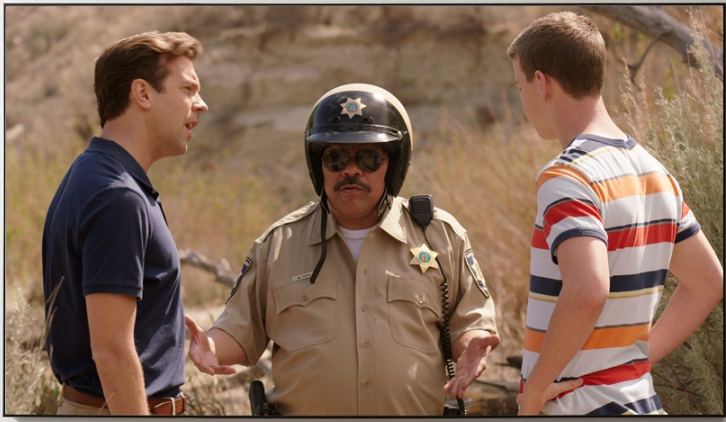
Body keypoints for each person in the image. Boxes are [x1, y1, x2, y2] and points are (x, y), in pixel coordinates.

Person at [184, 83, 500, 415]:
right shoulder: (277, 245)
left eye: (368, 158)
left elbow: (470, 323)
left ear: (393, 164)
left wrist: (473, 344)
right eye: (335, 159)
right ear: (319, 165)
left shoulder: (439, 236)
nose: (351, 170)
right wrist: (211, 347)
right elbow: (239, 329)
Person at [507, 11, 724, 415]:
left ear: (541, 83)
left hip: (579, 406)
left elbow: (588, 290)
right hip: (639, 401)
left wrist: (534, 391)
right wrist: (634, 361)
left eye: (519, 86)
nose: (522, 99)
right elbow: (708, 282)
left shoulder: (566, 176)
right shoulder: (656, 173)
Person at [42, 30, 209, 415]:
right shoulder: (118, 196)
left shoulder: (94, 173)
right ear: (143, 93)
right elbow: (111, 350)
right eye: (187, 89)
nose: (201, 105)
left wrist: (161, 319)